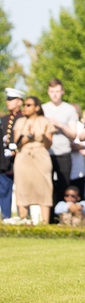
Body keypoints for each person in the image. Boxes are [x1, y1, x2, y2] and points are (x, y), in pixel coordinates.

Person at [12, 96, 57, 223]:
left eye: (28, 105)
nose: (25, 107)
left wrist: (43, 136)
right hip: (24, 155)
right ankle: (24, 220)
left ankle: (45, 222)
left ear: (37, 107)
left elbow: (48, 144)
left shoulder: (45, 121)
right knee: (22, 188)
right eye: (24, 105)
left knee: (44, 188)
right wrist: (29, 136)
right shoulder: (20, 122)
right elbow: (16, 143)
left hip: (40, 155)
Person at [42, 80, 80, 206]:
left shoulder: (69, 109)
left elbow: (73, 134)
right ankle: (49, 217)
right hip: (47, 152)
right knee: (47, 186)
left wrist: (60, 126)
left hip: (64, 153)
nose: (55, 94)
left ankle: (63, 215)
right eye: (52, 91)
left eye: (57, 91)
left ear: (62, 92)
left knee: (64, 186)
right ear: (48, 92)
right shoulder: (43, 109)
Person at [1, 89, 23, 220]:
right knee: (4, 190)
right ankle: (6, 218)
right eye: (8, 99)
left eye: (11, 99)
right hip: (5, 162)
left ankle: (25, 218)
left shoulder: (23, 118)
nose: (8, 102)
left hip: (21, 159)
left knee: (23, 192)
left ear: (19, 101)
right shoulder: (4, 119)